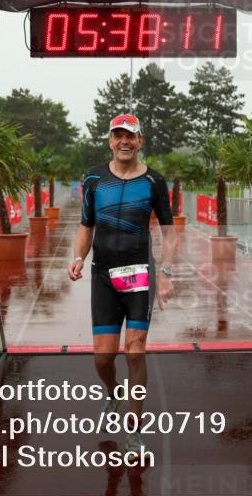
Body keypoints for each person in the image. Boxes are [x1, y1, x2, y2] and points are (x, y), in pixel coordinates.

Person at [67, 114, 176, 455]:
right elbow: (86, 225)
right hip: (103, 275)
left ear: (140, 141)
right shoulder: (95, 179)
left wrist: (167, 273)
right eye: (118, 135)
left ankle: (134, 432)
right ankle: (114, 393)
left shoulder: (155, 182)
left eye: (130, 135)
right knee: (102, 358)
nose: (124, 141)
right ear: (110, 141)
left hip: (141, 274)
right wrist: (78, 257)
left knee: (135, 350)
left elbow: (169, 233)